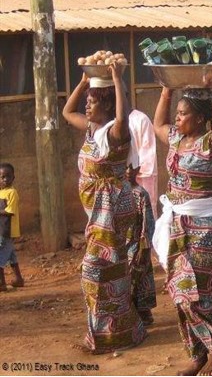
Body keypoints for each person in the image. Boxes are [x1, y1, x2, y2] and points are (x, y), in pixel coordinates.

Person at [152, 58, 212, 376]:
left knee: (198, 297)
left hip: (206, 227)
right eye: (178, 113)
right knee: (180, 296)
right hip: (177, 224)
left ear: (201, 118)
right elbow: (158, 124)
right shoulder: (176, 138)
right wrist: (167, 88)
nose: (177, 117)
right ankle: (197, 353)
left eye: (183, 113)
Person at [62, 63, 146, 354]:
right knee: (112, 270)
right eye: (87, 100)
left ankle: (105, 334)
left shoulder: (114, 132)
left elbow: (122, 117)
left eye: (93, 101)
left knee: (95, 271)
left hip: (111, 212)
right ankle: (121, 330)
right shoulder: (92, 129)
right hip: (98, 213)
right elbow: (66, 113)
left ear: (107, 103)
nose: (86, 105)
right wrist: (85, 83)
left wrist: (117, 81)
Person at [125, 165, 157, 327]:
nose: (128, 171)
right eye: (125, 167)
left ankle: (142, 314)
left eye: (132, 168)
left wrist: (144, 247)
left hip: (136, 245)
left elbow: (148, 223)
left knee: (138, 278)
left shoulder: (140, 194)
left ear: (138, 170)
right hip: (121, 245)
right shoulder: (116, 192)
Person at [129, 109, 158, 217]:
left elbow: (147, 155)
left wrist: (132, 171)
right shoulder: (106, 119)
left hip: (141, 178)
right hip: (118, 181)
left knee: (145, 216)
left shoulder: (141, 119)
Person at [0, 163, 24, 291]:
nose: (5, 179)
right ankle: (18, 279)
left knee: (1, 253)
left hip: (7, 230)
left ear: (13, 177)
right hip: (2, 229)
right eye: (2, 177)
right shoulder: (1, 193)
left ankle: (1, 283)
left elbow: (10, 211)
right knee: (11, 255)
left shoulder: (12, 193)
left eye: (8, 176)